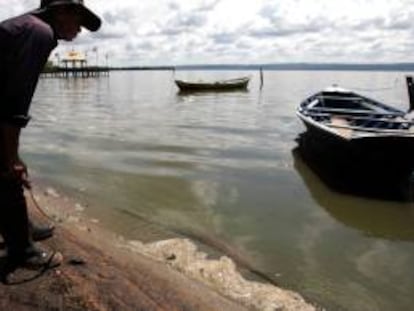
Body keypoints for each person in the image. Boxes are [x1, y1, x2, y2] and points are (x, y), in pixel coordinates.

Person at [0, 0, 101, 275]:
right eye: (78, 19)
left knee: (7, 167)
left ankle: (21, 228)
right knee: (7, 173)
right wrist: (12, 157)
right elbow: (12, 104)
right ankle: (21, 249)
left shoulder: (27, 27)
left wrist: (12, 154)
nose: (80, 29)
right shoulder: (38, 33)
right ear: (60, 11)